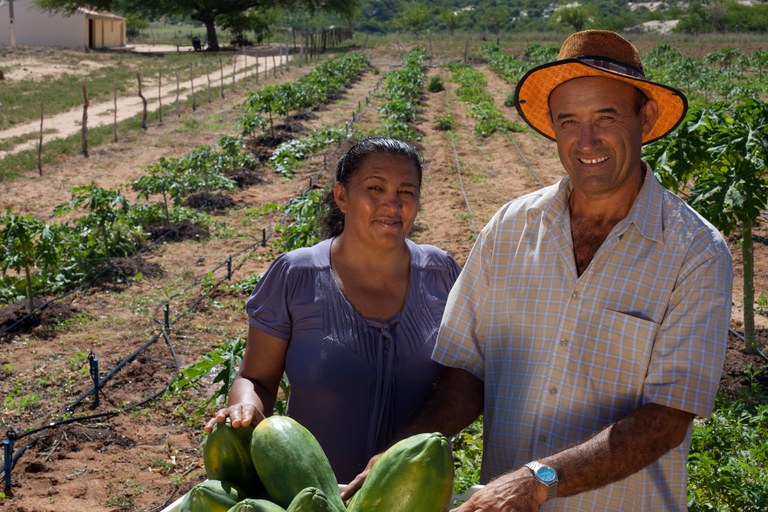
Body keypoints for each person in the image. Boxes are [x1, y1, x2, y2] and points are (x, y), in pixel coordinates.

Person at [349, 30, 733, 511]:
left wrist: (538, 480)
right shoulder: (510, 228)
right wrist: (395, 456)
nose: (585, 140)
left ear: (646, 117)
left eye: (606, 118)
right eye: (568, 121)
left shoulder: (694, 251)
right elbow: (467, 374)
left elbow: (666, 420)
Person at [204, 137, 461, 484]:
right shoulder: (296, 276)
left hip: (414, 492)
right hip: (309, 495)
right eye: (375, 187)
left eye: (406, 191)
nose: (392, 203)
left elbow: (461, 379)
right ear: (342, 196)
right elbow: (256, 378)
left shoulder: (442, 274)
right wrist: (245, 407)